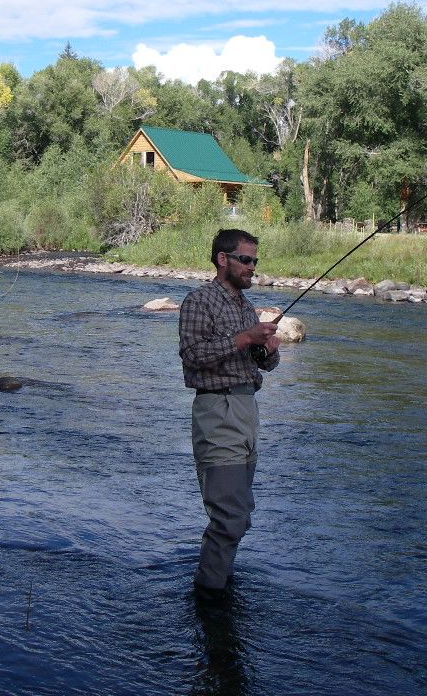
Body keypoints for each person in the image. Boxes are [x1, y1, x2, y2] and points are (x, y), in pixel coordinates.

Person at [178, 228, 280, 602]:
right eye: (246, 260)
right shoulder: (198, 302)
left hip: (246, 411)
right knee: (229, 516)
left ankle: (219, 585)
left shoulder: (244, 307)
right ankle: (209, 599)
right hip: (216, 411)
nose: (253, 268)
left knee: (240, 513)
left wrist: (267, 349)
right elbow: (192, 356)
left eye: (255, 260)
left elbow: (261, 365)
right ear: (223, 259)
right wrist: (244, 339)